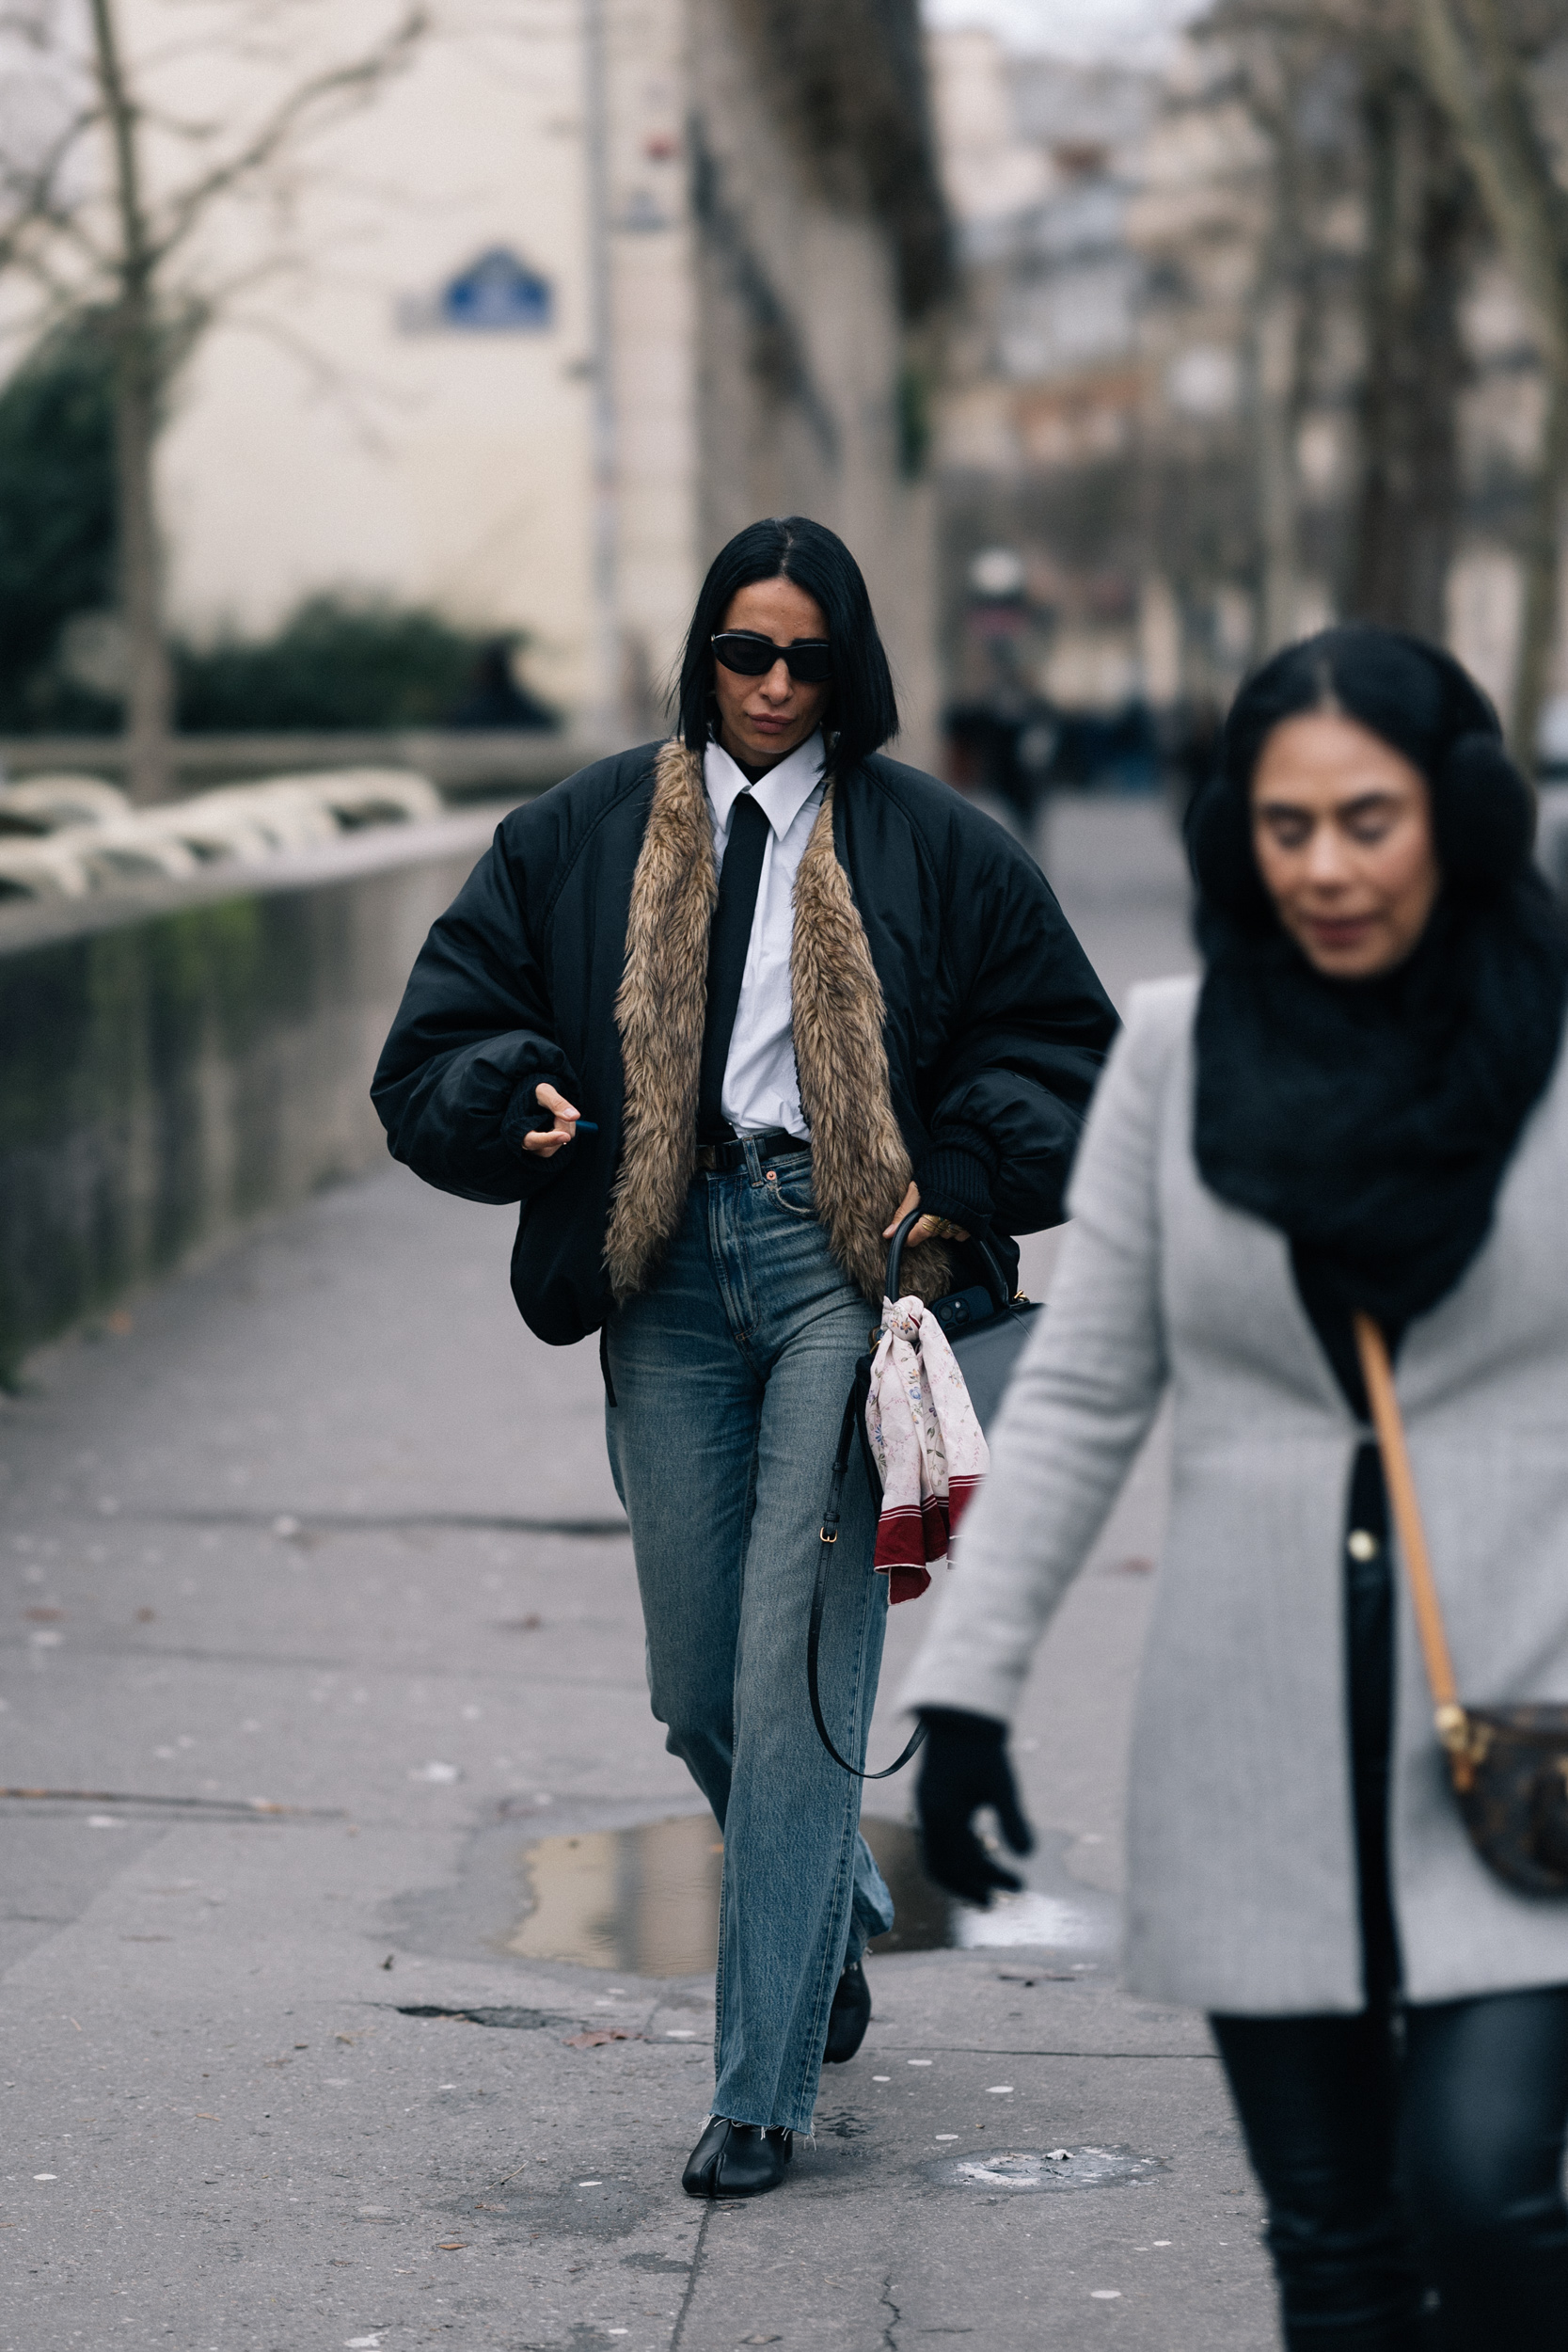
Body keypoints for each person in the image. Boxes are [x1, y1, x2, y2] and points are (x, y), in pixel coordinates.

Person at [372, 516, 1117, 2199]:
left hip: (845, 1265)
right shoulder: (575, 836)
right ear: (700, 655)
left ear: (850, 668)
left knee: (792, 1684)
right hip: (664, 1270)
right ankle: (833, 1907)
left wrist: (969, 1177)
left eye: (807, 659)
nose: (774, 687)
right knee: (697, 1687)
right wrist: (512, 1094)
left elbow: (1070, 1053)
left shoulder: (941, 847)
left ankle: (761, 2089)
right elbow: (430, 1047)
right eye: (744, 653)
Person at [904, 624, 1568, 2348]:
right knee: (1333, 2252)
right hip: (1252, 1731)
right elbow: (1089, 1387)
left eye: (1370, 818)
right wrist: (967, 1689)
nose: (1328, 868)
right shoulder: (1181, 1054)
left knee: (1489, 2192)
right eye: (1288, 828)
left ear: (1459, 818)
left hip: (1532, 1716)